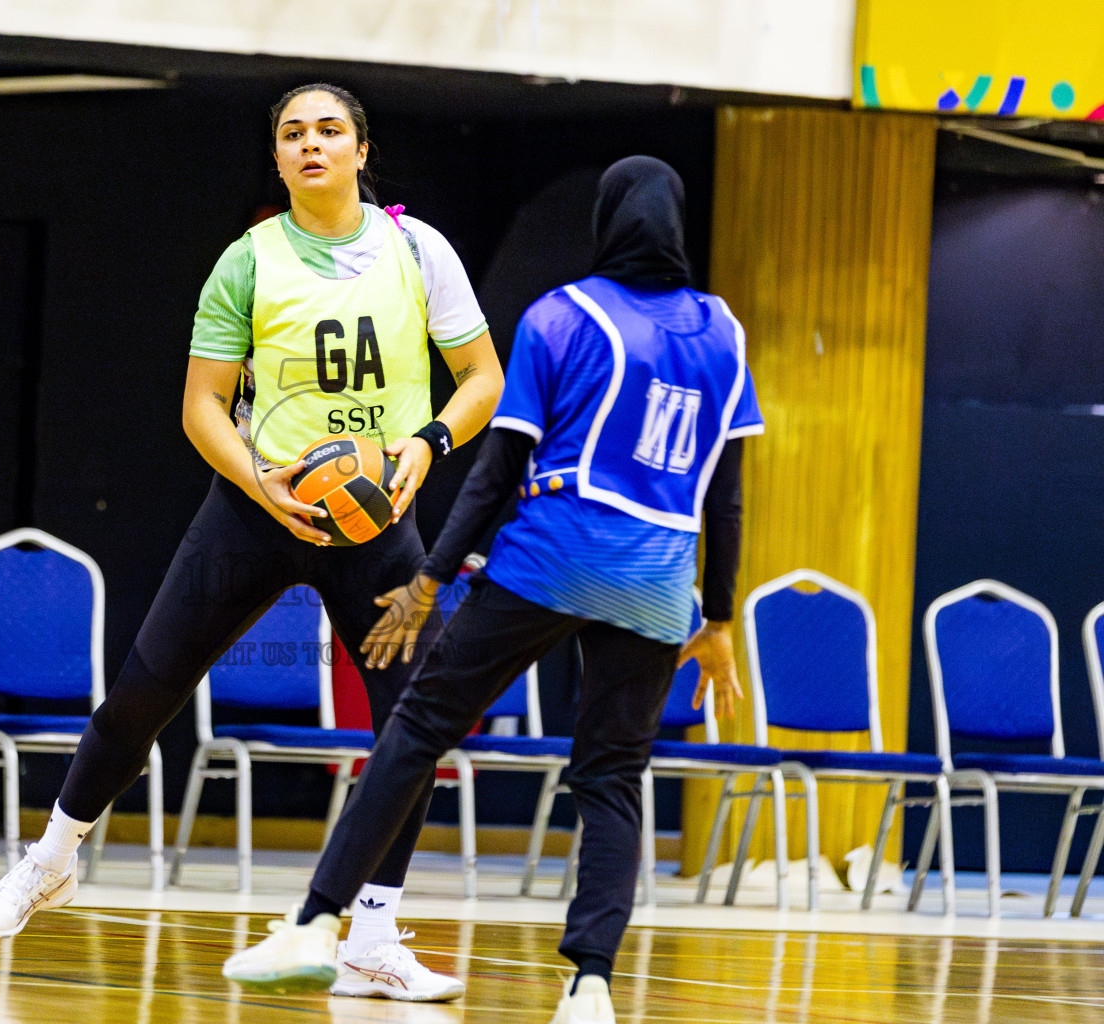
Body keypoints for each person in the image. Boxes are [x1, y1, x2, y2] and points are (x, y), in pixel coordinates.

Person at [0, 82, 504, 1004]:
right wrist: (262, 482)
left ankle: (371, 938)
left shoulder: (419, 250)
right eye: (292, 133)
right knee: (144, 689)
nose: (310, 145)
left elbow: (481, 377)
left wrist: (428, 443)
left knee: (413, 725)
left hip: (375, 520)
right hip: (257, 508)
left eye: (329, 130)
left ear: (362, 151)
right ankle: (52, 858)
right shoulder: (247, 261)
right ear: (280, 156)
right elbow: (202, 405)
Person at [221, 156, 762, 1024]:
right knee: (614, 780)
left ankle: (316, 924)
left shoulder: (563, 315)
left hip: (554, 556)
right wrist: (724, 615)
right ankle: (590, 985)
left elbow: (498, 471)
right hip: (662, 582)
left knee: (417, 731)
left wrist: (430, 579)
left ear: (609, 218)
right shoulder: (723, 330)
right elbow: (726, 491)